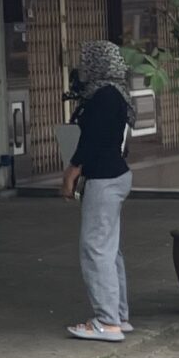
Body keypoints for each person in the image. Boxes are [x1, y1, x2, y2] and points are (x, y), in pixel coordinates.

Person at [61, 40, 134, 342]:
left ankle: (107, 322)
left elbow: (92, 140)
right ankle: (118, 315)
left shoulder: (103, 96)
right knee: (109, 249)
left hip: (104, 178)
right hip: (115, 175)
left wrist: (72, 171)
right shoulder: (116, 93)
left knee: (95, 249)